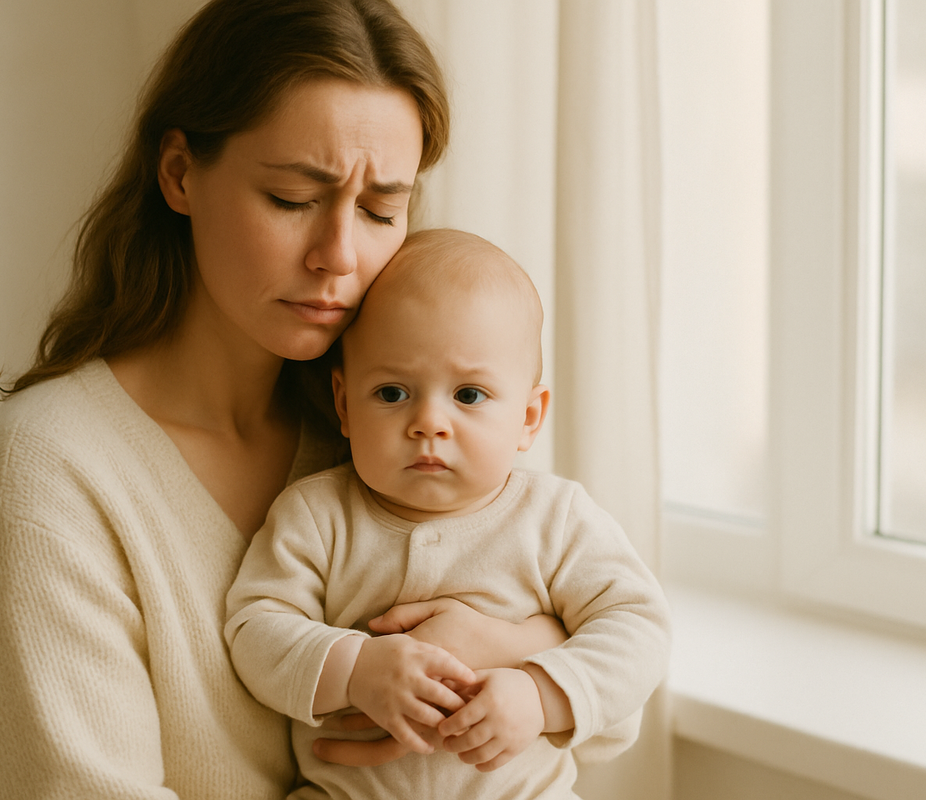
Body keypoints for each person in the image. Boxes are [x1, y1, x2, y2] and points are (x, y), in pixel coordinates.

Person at [0, 2, 568, 798]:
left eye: (381, 211)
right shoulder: (47, 473)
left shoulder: (388, 427)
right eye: (291, 199)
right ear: (179, 174)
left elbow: (611, 709)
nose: (340, 256)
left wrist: (505, 642)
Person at [225, 229, 672, 800]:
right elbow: (254, 629)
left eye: (468, 395)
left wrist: (539, 694)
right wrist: (356, 668)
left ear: (530, 417)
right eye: (392, 393)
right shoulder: (317, 516)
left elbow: (638, 629)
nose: (428, 422)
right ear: (343, 403)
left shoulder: (557, 519)